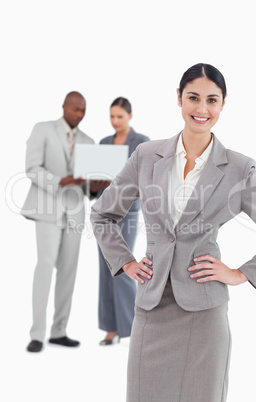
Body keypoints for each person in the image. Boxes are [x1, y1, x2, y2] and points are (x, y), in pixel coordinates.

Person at [91, 63, 256, 401]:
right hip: (150, 308)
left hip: (204, 314)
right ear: (179, 98)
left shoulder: (238, 168)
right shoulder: (146, 156)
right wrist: (125, 262)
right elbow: (101, 213)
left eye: (212, 100)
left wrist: (242, 273)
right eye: (193, 98)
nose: (202, 109)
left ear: (223, 104)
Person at [22, 91, 108, 353]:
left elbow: (88, 188)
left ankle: (59, 331)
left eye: (83, 111)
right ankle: (37, 333)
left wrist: (95, 186)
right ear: (64, 107)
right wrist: (59, 181)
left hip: (74, 213)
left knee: (69, 273)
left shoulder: (89, 141)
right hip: (47, 209)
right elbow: (31, 168)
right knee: (45, 267)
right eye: (75, 109)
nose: (79, 114)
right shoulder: (43, 130)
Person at [97, 97, 150, 345]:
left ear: (129, 116)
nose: (115, 121)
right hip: (105, 212)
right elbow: (93, 183)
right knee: (106, 268)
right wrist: (94, 183)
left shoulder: (141, 143)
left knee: (123, 263)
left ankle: (129, 326)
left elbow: (148, 180)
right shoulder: (104, 143)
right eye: (111, 116)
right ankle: (110, 327)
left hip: (128, 211)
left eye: (119, 116)